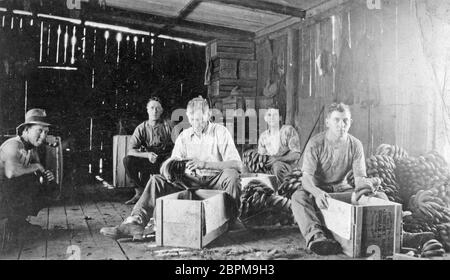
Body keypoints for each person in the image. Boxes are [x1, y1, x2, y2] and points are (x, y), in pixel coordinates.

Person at [291, 102, 433, 256]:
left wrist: (366, 186)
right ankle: (316, 237)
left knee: (380, 196)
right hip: (320, 189)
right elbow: (306, 179)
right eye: (336, 120)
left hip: (343, 188)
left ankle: (400, 235)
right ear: (327, 122)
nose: (341, 125)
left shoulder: (355, 145)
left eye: (345, 120)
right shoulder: (316, 144)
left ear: (350, 122)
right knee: (298, 197)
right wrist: (317, 193)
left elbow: (359, 178)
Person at [100, 96, 243, 240]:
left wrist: (205, 164)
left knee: (232, 175)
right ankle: (134, 223)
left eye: (199, 120)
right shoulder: (184, 136)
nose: (196, 124)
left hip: (214, 179)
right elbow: (172, 161)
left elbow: (238, 165)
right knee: (157, 180)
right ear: (188, 117)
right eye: (192, 120)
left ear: (208, 115)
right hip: (189, 181)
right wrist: (167, 170)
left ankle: (231, 219)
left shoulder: (220, 132)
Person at [0, 108, 57, 234]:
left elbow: (37, 172)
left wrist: (48, 177)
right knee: (27, 181)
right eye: (39, 131)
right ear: (26, 130)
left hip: (5, 194)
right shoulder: (13, 145)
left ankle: (18, 223)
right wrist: (36, 167)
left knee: (48, 186)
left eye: (46, 132)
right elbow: (11, 173)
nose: (43, 136)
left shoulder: (31, 149)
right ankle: (13, 224)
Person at [123, 97, 174, 205]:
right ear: (147, 110)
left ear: (161, 110)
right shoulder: (141, 128)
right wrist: (147, 155)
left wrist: (170, 159)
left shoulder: (169, 125)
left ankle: (168, 194)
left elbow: (180, 146)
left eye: (157, 108)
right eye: (152, 108)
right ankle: (140, 192)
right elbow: (130, 151)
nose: (154, 111)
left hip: (165, 160)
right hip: (150, 160)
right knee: (128, 160)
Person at [257, 108, 301, 183]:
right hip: (269, 168)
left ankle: (281, 192)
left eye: (275, 115)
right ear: (265, 118)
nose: (272, 118)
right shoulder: (263, 136)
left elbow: (296, 155)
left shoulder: (288, 131)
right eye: (269, 115)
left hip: (286, 168)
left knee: (277, 166)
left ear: (280, 117)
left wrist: (278, 159)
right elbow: (262, 155)